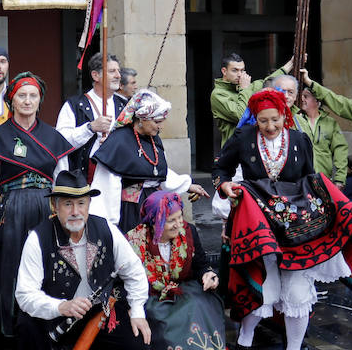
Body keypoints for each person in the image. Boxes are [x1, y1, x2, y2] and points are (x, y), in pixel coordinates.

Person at [214, 89, 352, 350]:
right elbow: (221, 168)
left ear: (285, 115)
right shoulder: (243, 138)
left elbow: (309, 178)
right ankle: (244, 338)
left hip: (295, 226)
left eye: (275, 120)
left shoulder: (298, 140)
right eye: (263, 121)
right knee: (262, 284)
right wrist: (224, 186)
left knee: (296, 289)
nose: (269, 127)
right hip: (257, 223)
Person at [14, 172, 151, 350]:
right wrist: (60, 306)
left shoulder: (106, 229)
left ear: (89, 205)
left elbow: (134, 271)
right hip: (52, 316)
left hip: (95, 314)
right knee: (27, 325)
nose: (75, 211)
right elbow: (25, 294)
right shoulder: (38, 238)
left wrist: (138, 311)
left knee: (137, 347)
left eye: (81, 203)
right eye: (67, 203)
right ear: (55, 207)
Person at [0, 73, 74, 350]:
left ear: (39, 100)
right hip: (12, 216)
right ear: (11, 99)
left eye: (33, 96)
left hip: (47, 215)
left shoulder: (54, 138)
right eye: (21, 96)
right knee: (12, 282)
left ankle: (45, 349)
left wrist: (69, 221)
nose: (27, 101)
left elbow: (64, 184)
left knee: (48, 278)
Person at [123, 191, 228, 350]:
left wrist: (208, 275)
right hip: (151, 295)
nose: (179, 224)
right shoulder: (132, 242)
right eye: (172, 220)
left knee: (198, 303)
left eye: (180, 217)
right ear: (155, 221)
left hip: (183, 288)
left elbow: (202, 264)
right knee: (167, 315)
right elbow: (124, 281)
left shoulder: (189, 232)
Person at [90, 89, 206, 232]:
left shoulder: (153, 139)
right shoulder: (119, 141)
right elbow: (107, 185)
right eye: (157, 121)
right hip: (132, 209)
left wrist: (187, 185)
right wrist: (110, 223)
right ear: (142, 118)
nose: (160, 126)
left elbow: (156, 170)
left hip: (156, 204)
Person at [56, 52, 122, 173]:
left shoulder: (124, 105)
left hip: (118, 174)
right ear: (95, 75)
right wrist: (90, 128)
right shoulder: (74, 105)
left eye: (118, 71)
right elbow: (61, 142)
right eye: (112, 71)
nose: (118, 75)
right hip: (85, 179)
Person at [299, 86, 348, 184]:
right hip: (302, 180)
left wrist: (340, 179)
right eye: (301, 96)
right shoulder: (296, 120)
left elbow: (340, 150)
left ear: (317, 101)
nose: (302, 99)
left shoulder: (330, 123)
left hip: (324, 178)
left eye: (306, 96)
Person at [211, 53, 253, 147]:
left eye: (242, 70)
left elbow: (266, 82)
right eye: (235, 70)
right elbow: (242, 115)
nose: (239, 75)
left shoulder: (242, 87)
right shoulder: (218, 94)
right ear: (224, 71)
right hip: (233, 148)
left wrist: (288, 65)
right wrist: (245, 89)